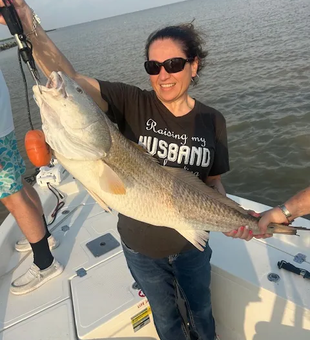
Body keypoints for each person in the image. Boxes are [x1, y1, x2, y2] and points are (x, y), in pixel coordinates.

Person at [0, 1, 261, 338]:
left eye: (174, 63)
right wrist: (28, 25)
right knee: (165, 318)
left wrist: (237, 219)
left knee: (202, 312)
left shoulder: (212, 120)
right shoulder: (130, 102)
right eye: (153, 66)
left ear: (193, 66)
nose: (163, 74)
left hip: (191, 244)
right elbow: (69, 77)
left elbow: (214, 183)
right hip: (140, 248)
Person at [0, 69, 63, 295]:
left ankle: (45, 263)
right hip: (2, 124)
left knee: (11, 197)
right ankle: (44, 235)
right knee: (16, 182)